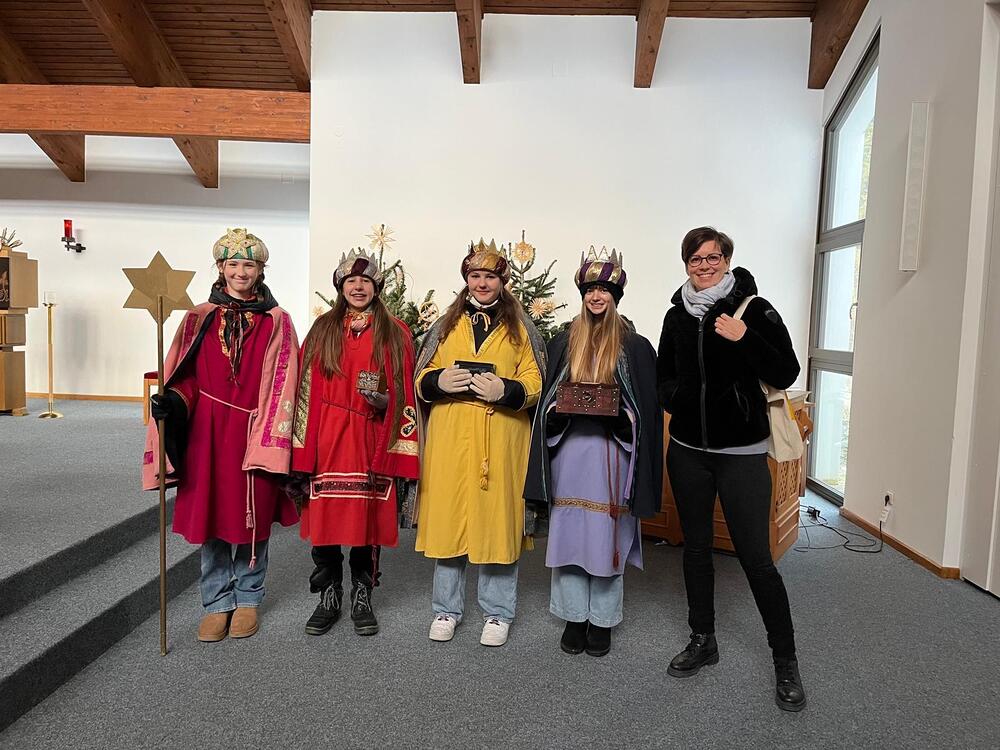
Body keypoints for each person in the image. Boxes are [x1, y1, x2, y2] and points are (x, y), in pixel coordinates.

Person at [656, 226, 806, 711]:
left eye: (713, 257)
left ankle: (785, 660)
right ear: (686, 264)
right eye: (695, 259)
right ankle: (703, 639)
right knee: (696, 548)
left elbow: (786, 371)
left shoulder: (754, 309)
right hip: (687, 450)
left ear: (726, 259)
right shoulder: (676, 314)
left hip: (741, 454)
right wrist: (675, 399)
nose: (704, 265)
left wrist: (746, 340)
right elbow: (664, 375)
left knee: (756, 559)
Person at [143, 228, 299, 642]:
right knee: (211, 515)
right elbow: (186, 376)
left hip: (254, 429)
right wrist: (173, 401)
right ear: (220, 267)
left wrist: (272, 435)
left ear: (260, 269)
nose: (241, 272)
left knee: (252, 516)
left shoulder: (277, 321)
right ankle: (216, 601)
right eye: (233, 264)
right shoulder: (199, 317)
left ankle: (248, 598)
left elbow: (287, 382)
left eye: (249, 264)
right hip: (207, 433)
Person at [524, 248, 662, 657]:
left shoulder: (635, 347)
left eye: (603, 290)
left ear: (615, 296)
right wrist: (558, 414)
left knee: (606, 535)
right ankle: (573, 616)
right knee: (569, 535)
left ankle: (601, 619)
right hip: (570, 452)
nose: (596, 296)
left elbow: (646, 410)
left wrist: (621, 420)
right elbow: (547, 401)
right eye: (590, 290)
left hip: (612, 455)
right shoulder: (564, 342)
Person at [409, 239, 545, 647]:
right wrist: (436, 381)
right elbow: (421, 373)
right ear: (466, 279)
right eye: (475, 276)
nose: (482, 283)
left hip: (501, 437)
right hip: (451, 437)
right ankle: (445, 609)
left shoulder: (521, 328)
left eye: (490, 276)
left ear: (503, 281)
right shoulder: (445, 325)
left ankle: (498, 613)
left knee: (497, 524)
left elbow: (536, 379)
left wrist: (508, 389)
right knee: (449, 522)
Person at [290, 248, 419, 637]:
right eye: (351, 281)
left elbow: (405, 391)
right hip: (327, 436)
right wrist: (301, 449)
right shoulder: (322, 329)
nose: (358, 287)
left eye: (365, 280)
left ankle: (363, 594)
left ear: (376, 287)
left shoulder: (395, 332)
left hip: (370, 435)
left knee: (367, 521)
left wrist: (384, 402)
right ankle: (328, 595)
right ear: (341, 287)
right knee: (326, 519)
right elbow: (304, 392)